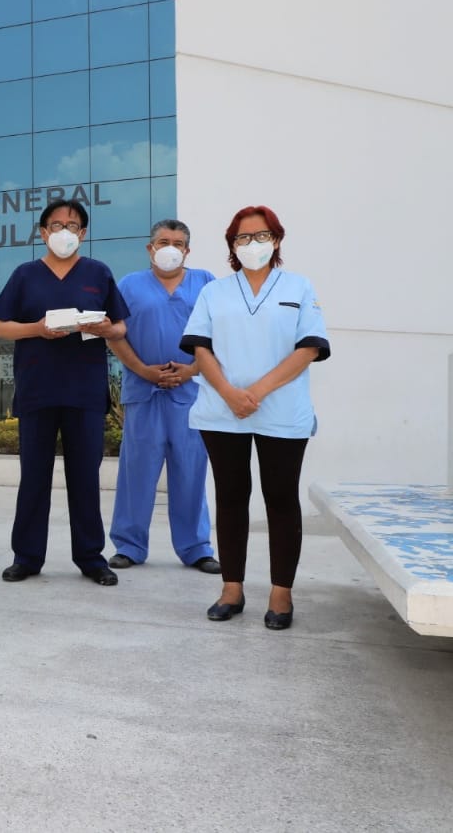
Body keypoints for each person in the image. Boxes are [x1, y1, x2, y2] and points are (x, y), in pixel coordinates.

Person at [180, 205, 330, 630]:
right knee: (230, 498)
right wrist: (230, 394)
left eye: (260, 235)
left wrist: (256, 393)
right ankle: (232, 588)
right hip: (221, 411)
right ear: (232, 245)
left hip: (280, 412)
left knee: (281, 499)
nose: (251, 244)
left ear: (277, 240)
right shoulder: (215, 292)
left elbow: (309, 348)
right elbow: (200, 347)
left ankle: (281, 594)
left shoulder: (299, 288)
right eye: (242, 238)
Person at [0, 199, 129, 587]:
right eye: (56, 225)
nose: (64, 232)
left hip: (85, 392)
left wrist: (104, 329)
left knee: (85, 478)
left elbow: (120, 328)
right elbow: (1, 328)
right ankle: (27, 556)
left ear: (83, 233)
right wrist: (36, 329)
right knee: (33, 477)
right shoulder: (25, 275)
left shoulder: (98, 273)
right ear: (42, 232)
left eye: (72, 226)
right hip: (38, 390)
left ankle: (90, 557)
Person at [106, 220, 220, 574]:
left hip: (191, 393)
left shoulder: (205, 283)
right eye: (164, 241)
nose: (171, 247)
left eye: (179, 242)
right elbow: (114, 335)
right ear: (150, 248)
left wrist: (191, 370)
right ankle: (129, 545)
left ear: (188, 250)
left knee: (191, 471)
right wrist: (143, 370)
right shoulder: (128, 286)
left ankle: (196, 547)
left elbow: (219, 335)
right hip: (144, 393)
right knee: (136, 471)